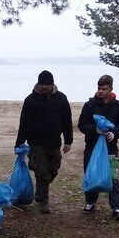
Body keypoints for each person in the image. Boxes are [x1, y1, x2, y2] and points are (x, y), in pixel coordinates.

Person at [14, 70, 73, 214]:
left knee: (53, 170)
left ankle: (40, 192)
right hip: (36, 143)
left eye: (48, 84)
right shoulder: (30, 100)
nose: (45, 87)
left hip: (54, 143)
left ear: (52, 84)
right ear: (38, 84)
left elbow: (67, 120)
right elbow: (24, 123)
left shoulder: (61, 98)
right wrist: (19, 143)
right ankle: (44, 203)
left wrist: (68, 141)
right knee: (42, 172)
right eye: (42, 84)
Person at [78, 74, 119, 220]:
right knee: (91, 174)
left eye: (104, 89)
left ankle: (117, 207)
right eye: (99, 88)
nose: (100, 91)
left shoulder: (118, 106)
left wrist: (115, 133)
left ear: (111, 89)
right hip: (92, 148)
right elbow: (82, 125)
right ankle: (90, 202)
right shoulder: (90, 105)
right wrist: (95, 130)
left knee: (113, 176)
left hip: (111, 149)